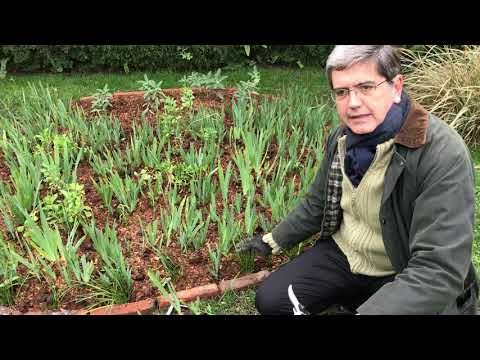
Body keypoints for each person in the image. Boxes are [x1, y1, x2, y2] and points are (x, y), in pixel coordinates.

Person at [237, 45, 479, 315]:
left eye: (366, 87)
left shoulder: (441, 153)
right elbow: (317, 203)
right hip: (346, 256)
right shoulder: (342, 139)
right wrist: (272, 240)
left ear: (396, 87)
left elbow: (438, 268)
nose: (353, 102)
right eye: (342, 92)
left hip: (401, 267)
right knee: (272, 301)